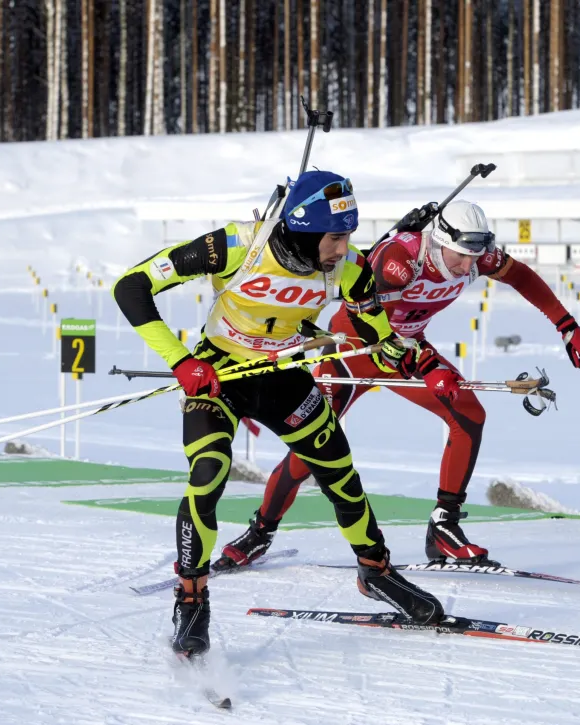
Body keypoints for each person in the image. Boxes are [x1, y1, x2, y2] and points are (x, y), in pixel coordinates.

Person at [113, 170, 444, 658]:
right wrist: (182, 362)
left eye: (348, 236)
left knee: (338, 470)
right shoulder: (235, 246)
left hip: (282, 374)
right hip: (220, 373)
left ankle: (375, 572)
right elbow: (131, 287)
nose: (344, 248)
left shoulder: (347, 265)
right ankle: (191, 598)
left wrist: (399, 352)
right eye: (335, 237)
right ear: (306, 231)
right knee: (208, 472)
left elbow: (373, 319)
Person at [215, 200, 580, 572]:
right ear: (439, 237)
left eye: (473, 258)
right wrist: (428, 366)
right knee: (312, 449)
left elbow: (521, 276)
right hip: (354, 349)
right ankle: (260, 531)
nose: (467, 266)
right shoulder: (401, 259)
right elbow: (378, 328)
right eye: (459, 255)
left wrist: (567, 325)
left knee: (469, 414)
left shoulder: (476, 257)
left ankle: (445, 525)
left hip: (407, 353)